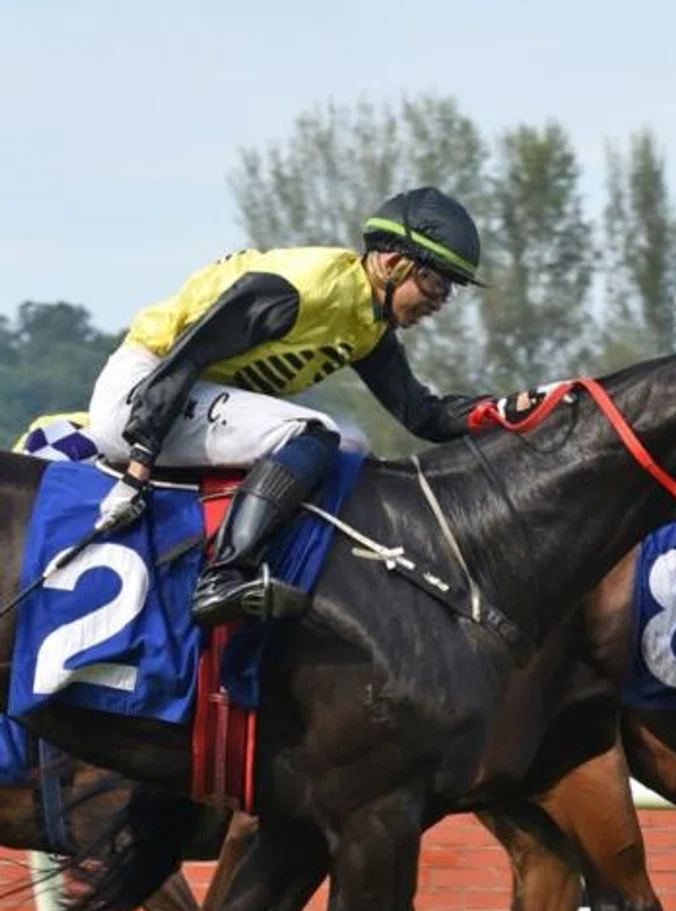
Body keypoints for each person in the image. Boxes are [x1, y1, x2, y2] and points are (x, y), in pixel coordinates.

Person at [85, 186, 486, 625]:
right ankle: (223, 578)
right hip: (146, 394)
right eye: (435, 282)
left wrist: (512, 410)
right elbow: (188, 357)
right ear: (392, 263)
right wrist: (139, 466)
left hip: (182, 399)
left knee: (337, 447)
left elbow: (423, 416)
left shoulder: (366, 321)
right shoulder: (302, 289)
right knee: (313, 432)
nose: (439, 301)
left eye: (450, 289)